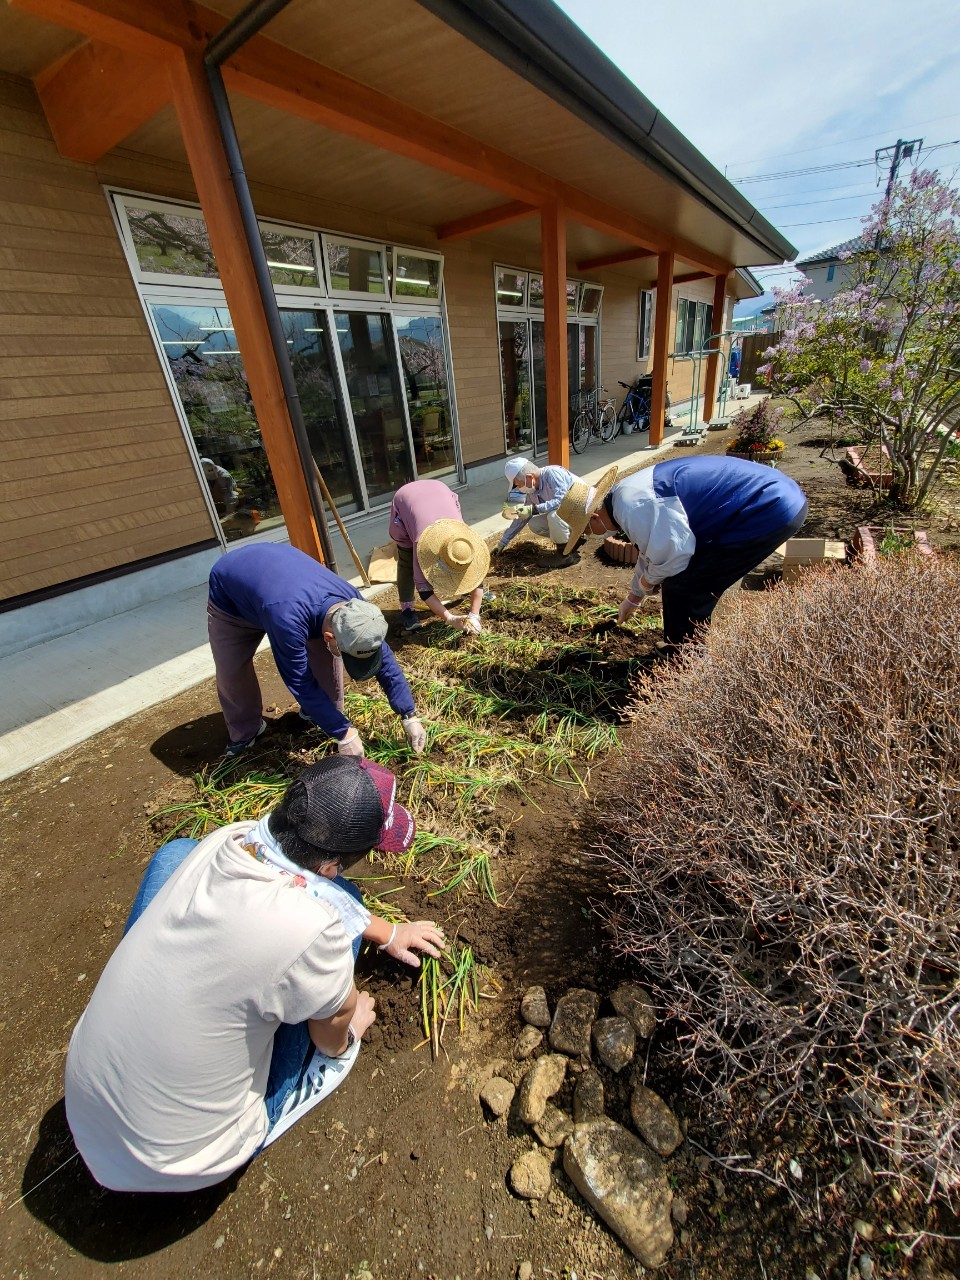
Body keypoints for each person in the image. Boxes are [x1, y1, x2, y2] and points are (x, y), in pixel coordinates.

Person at [64, 755, 445, 1193]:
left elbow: (323, 891)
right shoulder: (318, 930)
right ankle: (297, 1092)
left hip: (87, 1093)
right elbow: (328, 1031)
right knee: (331, 992)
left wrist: (390, 932)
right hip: (180, 1160)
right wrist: (350, 1027)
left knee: (176, 855)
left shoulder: (234, 838)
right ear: (328, 868)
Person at [561, 455, 808, 652]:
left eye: (587, 530)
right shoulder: (623, 498)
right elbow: (651, 552)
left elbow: (675, 557)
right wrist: (634, 597)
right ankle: (681, 648)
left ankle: (686, 662)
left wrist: (649, 581)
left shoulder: (636, 506)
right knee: (683, 581)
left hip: (767, 507)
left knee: (687, 586)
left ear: (594, 516)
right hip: (766, 499)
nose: (592, 536)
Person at [208, 543, 427, 757]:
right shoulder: (288, 621)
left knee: (327, 659)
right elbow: (298, 680)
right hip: (233, 597)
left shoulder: (357, 609)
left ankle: (319, 714)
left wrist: (409, 714)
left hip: (282, 585)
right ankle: (246, 731)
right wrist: (344, 733)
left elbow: (385, 659)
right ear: (329, 636)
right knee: (232, 669)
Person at [388, 478, 491, 635]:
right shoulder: (422, 545)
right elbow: (423, 588)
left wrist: (474, 615)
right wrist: (449, 618)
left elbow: (478, 579)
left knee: (459, 558)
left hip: (441, 491)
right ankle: (407, 611)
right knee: (406, 561)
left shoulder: (465, 542)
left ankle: (465, 589)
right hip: (406, 501)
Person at [496, 456, 587, 565]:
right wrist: (502, 543)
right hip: (570, 515)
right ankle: (572, 541)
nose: (519, 488)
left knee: (554, 516)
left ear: (529, 478)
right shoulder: (532, 491)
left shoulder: (552, 474)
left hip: (584, 513)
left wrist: (534, 509)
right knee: (534, 523)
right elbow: (522, 517)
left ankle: (564, 556)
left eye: (518, 484)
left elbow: (562, 501)